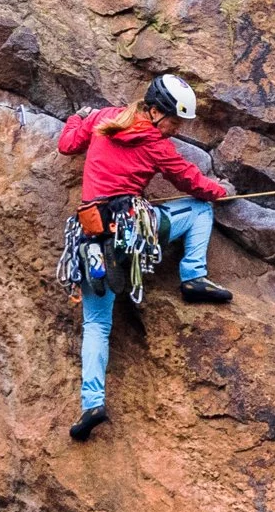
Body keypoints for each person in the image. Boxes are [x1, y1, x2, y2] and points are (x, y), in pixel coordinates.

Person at [55, 73, 233, 441]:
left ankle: (92, 402)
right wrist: (221, 192)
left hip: (92, 240)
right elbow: (191, 182)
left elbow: (67, 144)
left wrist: (78, 117)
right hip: (133, 228)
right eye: (173, 122)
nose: (174, 129)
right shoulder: (154, 141)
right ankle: (193, 276)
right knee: (200, 209)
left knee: (96, 325)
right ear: (153, 112)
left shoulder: (102, 119)